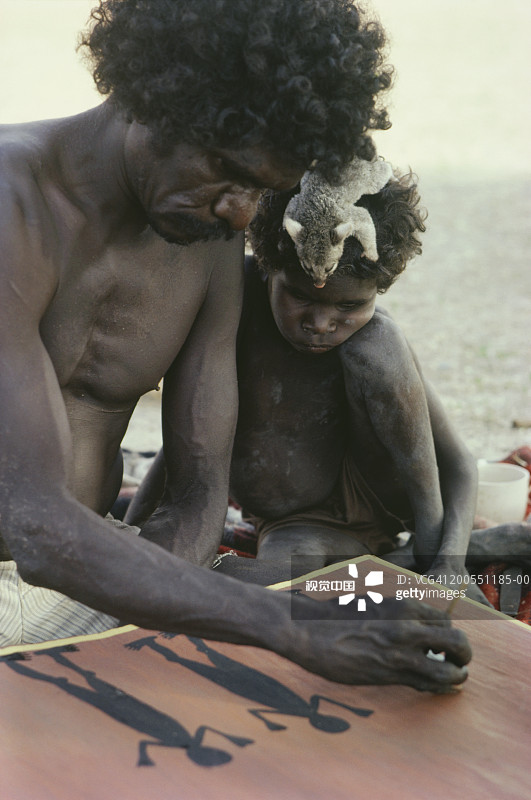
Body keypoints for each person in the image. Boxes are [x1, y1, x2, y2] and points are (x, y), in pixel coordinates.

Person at [0, 0, 471, 692]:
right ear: (155, 98)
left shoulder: (208, 241)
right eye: (228, 169)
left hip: (90, 568)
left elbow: (199, 490)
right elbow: (36, 524)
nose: (242, 213)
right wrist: (279, 625)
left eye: (262, 189)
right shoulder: (14, 205)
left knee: (391, 644)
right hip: (42, 563)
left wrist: (164, 600)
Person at [130, 168, 498, 603]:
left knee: (378, 342)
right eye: (301, 296)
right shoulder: (233, 303)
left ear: (379, 288)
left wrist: (447, 560)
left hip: (379, 501)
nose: (321, 323)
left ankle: (423, 553)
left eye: (350, 304)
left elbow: (456, 463)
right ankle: (423, 561)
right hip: (294, 526)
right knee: (286, 587)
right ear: (270, 267)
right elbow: (189, 427)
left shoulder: (372, 341)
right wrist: (134, 531)